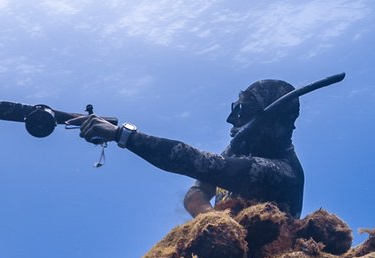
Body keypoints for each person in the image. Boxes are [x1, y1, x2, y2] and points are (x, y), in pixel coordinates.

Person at [72, 79, 305, 218]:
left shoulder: (281, 171)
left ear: (272, 121)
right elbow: (197, 191)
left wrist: (120, 134)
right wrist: (210, 218)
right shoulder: (238, 150)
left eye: (242, 111)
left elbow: (197, 162)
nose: (232, 120)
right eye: (235, 109)